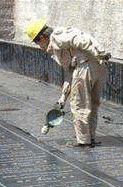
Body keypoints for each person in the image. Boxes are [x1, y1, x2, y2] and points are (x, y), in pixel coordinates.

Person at [24, 18, 111, 147]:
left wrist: (98, 51)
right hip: (96, 67)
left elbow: (80, 38)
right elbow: (70, 74)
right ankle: (90, 138)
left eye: (37, 43)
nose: (39, 46)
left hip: (86, 66)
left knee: (78, 105)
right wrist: (62, 98)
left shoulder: (57, 36)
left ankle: (83, 141)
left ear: (42, 37)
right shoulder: (58, 47)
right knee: (92, 105)